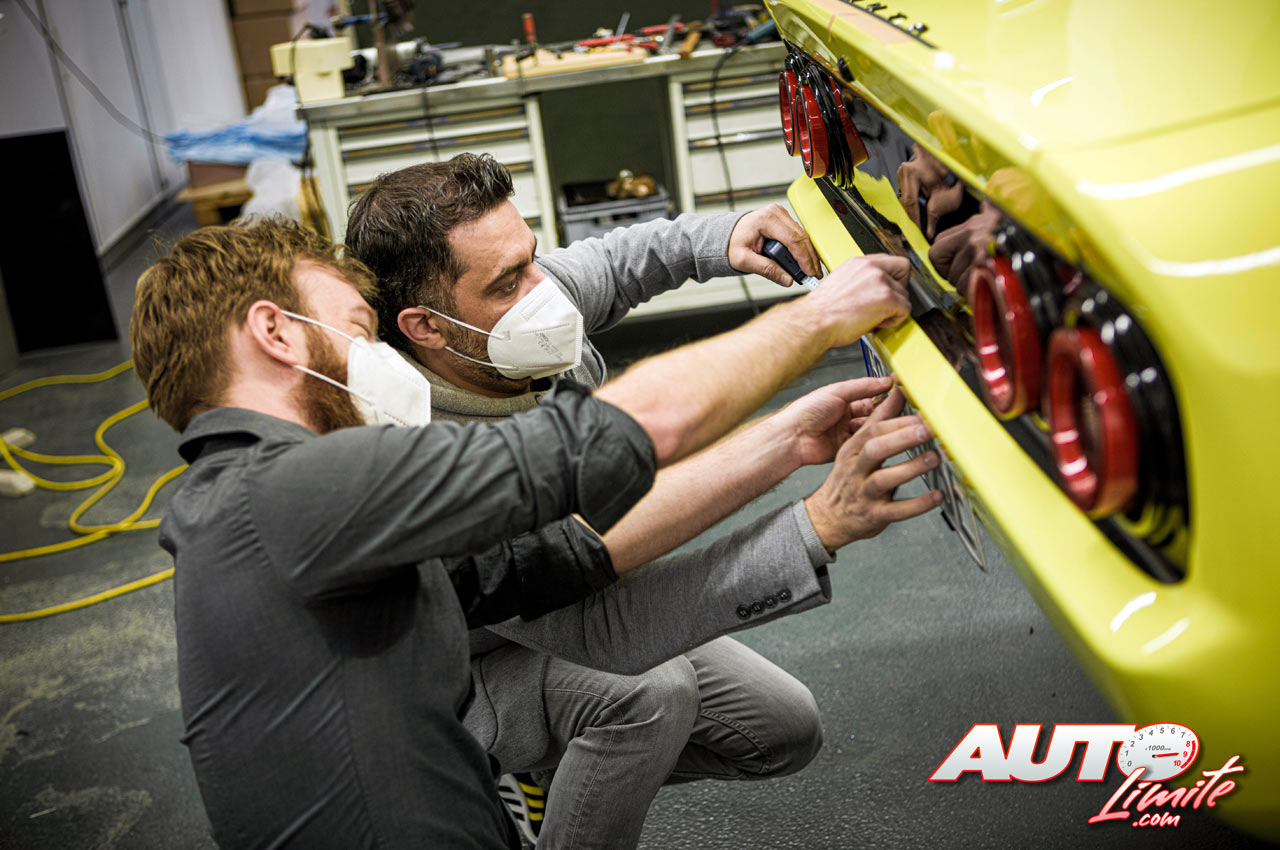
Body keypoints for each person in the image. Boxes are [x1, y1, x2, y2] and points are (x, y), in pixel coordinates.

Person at [132, 214, 937, 850]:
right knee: (651, 695)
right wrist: (820, 317)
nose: (378, 360)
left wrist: (795, 462)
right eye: (356, 332)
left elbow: (553, 565)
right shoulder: (288, 489)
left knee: (769, 722)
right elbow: (616, 432)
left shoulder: (259, 503)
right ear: (275, 333)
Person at [345, 154, 942, 848]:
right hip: (453, 677)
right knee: (651, 695)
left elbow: (616, 261)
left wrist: (726, 236)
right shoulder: (422, 457)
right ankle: (501, 768)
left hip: (560, 599)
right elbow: (606, 628)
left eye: (531, 257)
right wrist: (816, 523)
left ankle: (549, 764)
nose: (543, 290)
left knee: (782, 731)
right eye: (508, 282)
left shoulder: (513, 312)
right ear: (425, 327)